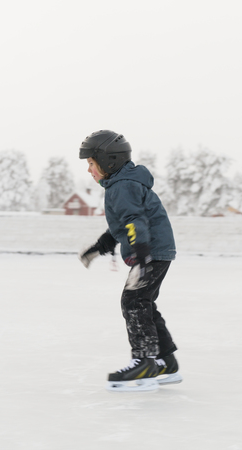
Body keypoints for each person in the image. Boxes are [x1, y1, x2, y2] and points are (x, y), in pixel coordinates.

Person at [78, 130, 182, 391]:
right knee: (144, 302)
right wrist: (99, 247)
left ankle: (144, 362)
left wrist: (141, 258)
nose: (89, 170)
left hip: (151, 251)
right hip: (156, 250)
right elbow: (122, 226)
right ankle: (165, 361)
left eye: (91, 163)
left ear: (108, 160)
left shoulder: (123, 186)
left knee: (133, 301)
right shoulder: (121, 184)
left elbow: (135, 221)